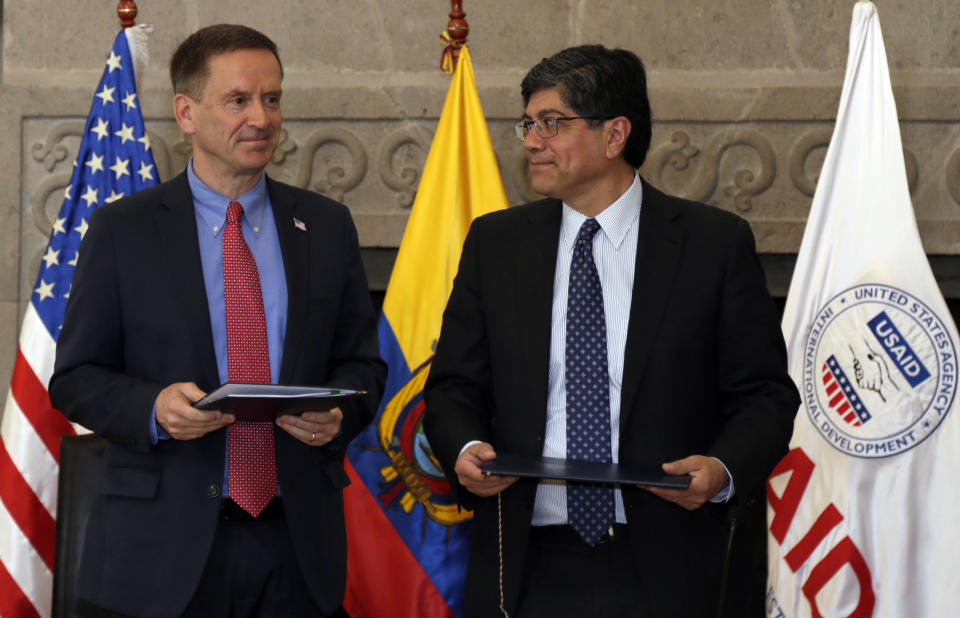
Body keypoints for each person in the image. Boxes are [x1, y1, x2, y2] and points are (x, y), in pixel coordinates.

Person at [423, 44, 799, 618]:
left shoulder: (712, 245)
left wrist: (720, 469)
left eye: (552, 123)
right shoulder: (496, 244)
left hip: (671, 563)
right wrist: (468, 450)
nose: (530, 140)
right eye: (528, 123)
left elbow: (765, 397)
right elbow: (453, 387)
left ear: (615, 134)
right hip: (527, 561)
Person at [49, 24, 385, 618]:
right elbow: (75, 378)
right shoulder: (123, 230)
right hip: (159, 552)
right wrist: (153, 408)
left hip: (297, 547)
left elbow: (362, 364)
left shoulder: (326, 226)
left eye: (272, 98)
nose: (261, 117)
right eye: (238, 100)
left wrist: (339, 414)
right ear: (186, 112)